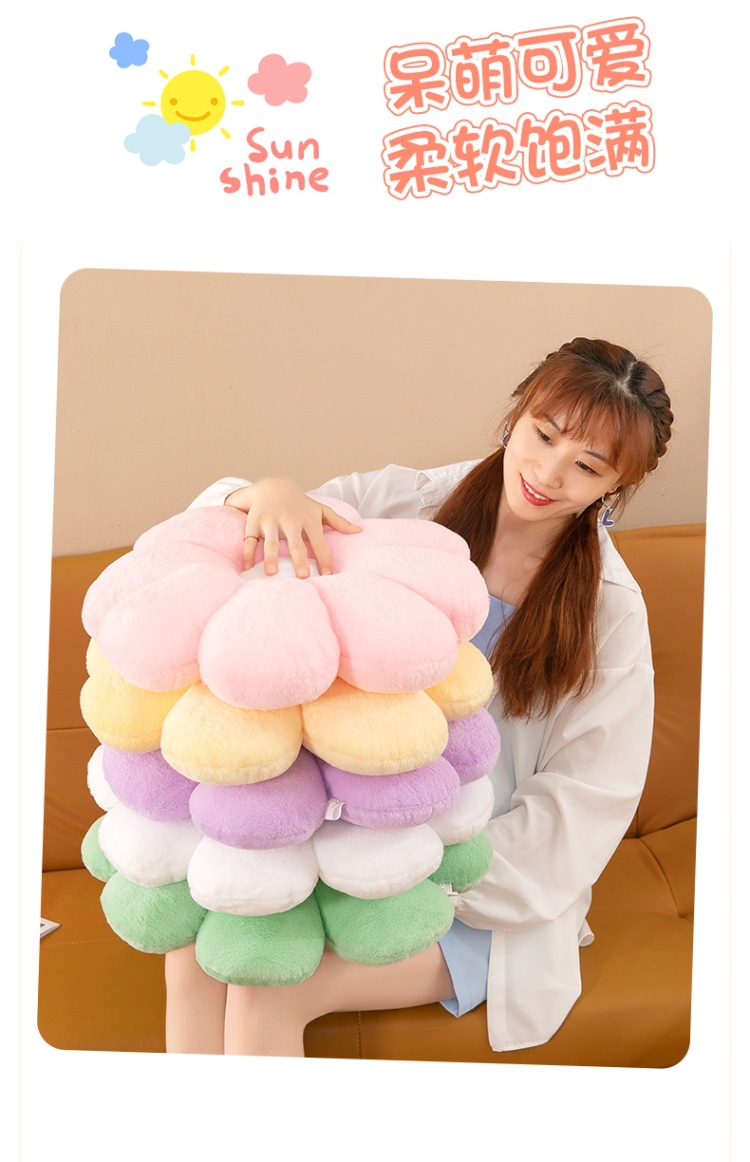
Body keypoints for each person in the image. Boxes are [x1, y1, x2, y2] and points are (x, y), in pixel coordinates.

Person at [164, 337, 674, 1057]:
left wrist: (408, 870)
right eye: (544, 434)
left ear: (612, 488)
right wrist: (260, 492)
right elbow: (217, 538)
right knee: (194, 950)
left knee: (265, 984)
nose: (549, 473)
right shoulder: (408, 506)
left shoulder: (609, 610)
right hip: (344, 838)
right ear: (517, 415)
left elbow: (582, 808)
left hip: (473, 891)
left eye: (587, 466)